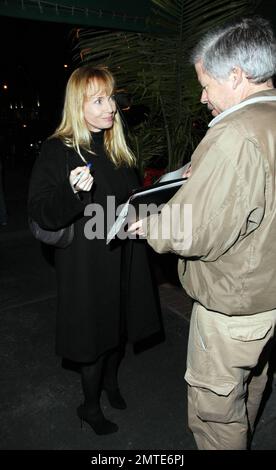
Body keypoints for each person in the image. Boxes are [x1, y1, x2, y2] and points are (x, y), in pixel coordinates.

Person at [128, 16, 276, 449]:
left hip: (235, 305)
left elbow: (194, 230)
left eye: (207, 84)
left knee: (216, 415)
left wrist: (148, 226)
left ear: (237, 75)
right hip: (269, 297)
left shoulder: (233, 133)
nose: (202, 95)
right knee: (251, 390)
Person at [28, 64, 162, 436]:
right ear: (78, 104)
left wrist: (150, 208)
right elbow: (40, 212)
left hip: (124, 254)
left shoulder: (116, 145)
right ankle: (89, 406)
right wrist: (72, 193)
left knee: (118, 328)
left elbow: (130, 198)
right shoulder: (59, 150)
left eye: (111, 98)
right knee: (94, 338)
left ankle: (111, 384)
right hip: (86, 264)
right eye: (99, 100)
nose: (111, 108)